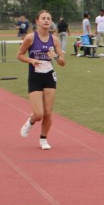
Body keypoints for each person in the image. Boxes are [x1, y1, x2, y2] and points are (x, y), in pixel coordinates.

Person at [17, 10, 67, 150]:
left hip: (49, 76)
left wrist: (55, 56)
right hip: (35, 77)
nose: (46, 21)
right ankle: (31, 120)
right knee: (39, 114)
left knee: (48, 112)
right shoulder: (30, 38)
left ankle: (43, 139)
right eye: (43, 18)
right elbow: (19, 55)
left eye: (48, 18)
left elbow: (62, 62)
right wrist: (31, 60)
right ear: (37, 21)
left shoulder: (54, 40)